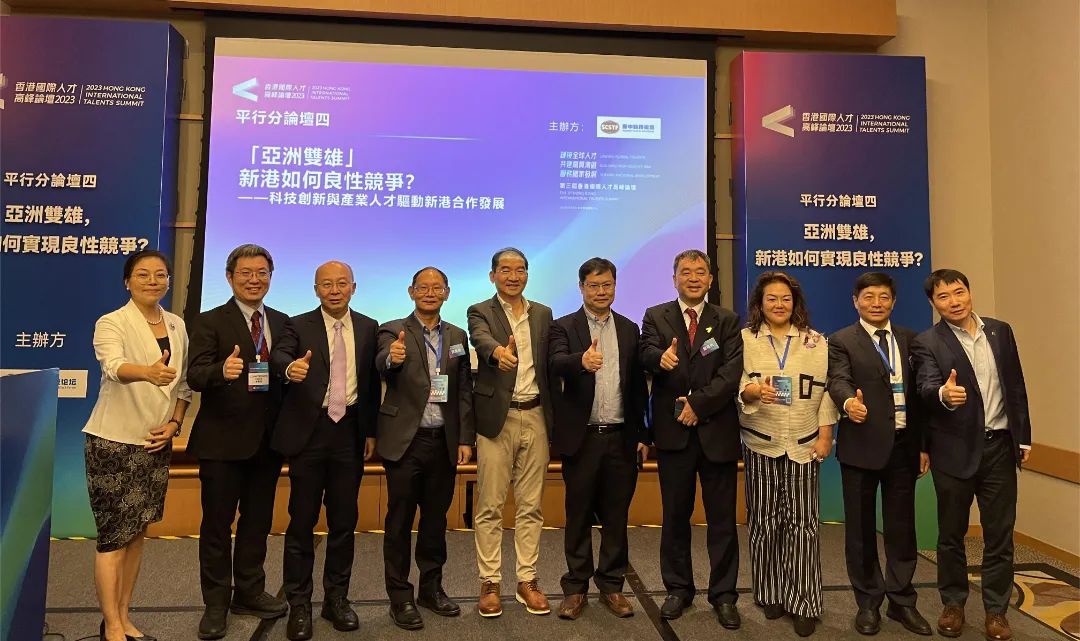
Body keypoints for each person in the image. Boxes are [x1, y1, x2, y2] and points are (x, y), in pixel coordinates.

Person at [911, 269, 1032, 641]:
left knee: (999, 534)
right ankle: (953, 603)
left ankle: (996, 611)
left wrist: (1023, 437)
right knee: (951, 534)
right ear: (933, 303)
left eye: (959, 292)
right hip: (953, 449)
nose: (954, 301)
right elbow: (925, 386)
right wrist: (944, 395)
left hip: (999, 447)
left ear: (969, 292)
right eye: (943, 296)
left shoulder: (1000, 331)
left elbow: (1015, 385)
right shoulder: (927, 342)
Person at [82, 250, 191, 641]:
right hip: (113, 443)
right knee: (113, 538)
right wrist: (147, 372)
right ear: (127, 282)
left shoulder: (177, 324)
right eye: (143, 274)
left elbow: (183, 385)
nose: (153, 281)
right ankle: (111, 625)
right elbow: (113, 366)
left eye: (160, 274)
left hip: (155, 444)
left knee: (136, 534)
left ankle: (125, 616)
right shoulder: (112, 322)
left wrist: (175, 424)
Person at [269, 261, 380, 641]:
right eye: (327, 284)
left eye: (342, 283)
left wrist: (370, 431)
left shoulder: (369, 326)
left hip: (350, 431)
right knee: (301, 522)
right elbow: (279, 356)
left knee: (344, 523)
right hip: (310, 432)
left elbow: (371, 384)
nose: (335, 290)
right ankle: (299, 605)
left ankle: (337, 599)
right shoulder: (297, 325)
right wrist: (289, 369)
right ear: (316, 289)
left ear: (354, 287)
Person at [186, 244, 289, 639]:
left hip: (267, 443)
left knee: (257, 523)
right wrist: (221, 370)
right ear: (230, 278)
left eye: (262, 273)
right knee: (216, 526)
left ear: (270, 277)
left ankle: (249, 591)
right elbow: (195, 376)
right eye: (246, 273)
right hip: (222, 444)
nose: (254, 280)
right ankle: (215, 603)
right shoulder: (209, 321)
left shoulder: (282, 322)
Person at [639, 249, 743, 629]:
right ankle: (678, 589)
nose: (694, 278)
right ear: (674, 279)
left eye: (701, 272)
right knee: (675, 517)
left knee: (722, 521)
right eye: (686, 272)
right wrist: (658, 359)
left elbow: (731, 372)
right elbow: (644, 352)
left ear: (710, 279)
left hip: (717, 432)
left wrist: (698, 404)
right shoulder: (656, 316)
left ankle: (724, 595)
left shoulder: (727, 320)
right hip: (674, 434)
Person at [827, 272, 931, 636]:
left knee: (902, 529)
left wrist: (922, 445)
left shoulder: (912, 340)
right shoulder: (842, 340)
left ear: (893, 301)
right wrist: (847, 403)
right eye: (868, 297)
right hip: (861, 446)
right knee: (860, 531)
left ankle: (902, 601)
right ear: (855, 301)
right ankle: (868, 603)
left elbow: (920, 396)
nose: (876, 303)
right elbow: (837, 379)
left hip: (904, 447)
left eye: (883, 297)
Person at [548, 258, 651, 620]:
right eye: (594, 286)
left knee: (616, 516)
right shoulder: (563, 326)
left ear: (615, 286)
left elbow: (637, 387)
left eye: (607, 285)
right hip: (583, 438)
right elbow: (555, 363)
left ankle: (611, 585)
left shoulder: (629, 328)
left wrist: (642, 434)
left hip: (621, 436)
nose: (601, 292)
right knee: (577, 515)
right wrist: (581, 361)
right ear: (581, 288)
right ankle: (576, 587)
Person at [737, 271, 837, 637]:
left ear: (795, 303)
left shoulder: (816, 341)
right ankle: (770, 593)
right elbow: (738, 385)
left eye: (785, 299)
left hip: (804, 444)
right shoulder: (745, 339)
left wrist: (826, 436)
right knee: (764, 522)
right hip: (760, 442)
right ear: (759, 304)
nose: (779, 305)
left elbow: (826, 392)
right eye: (771, 299)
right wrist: (750, 392)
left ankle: (804, 602)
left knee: (804, 525)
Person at [375, 266, 475, 630]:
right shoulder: (392, 330)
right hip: (406, 441)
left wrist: (465, 438)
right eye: (423, 287)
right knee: (399, 522)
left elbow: (463, 390)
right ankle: (400, 597)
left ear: (447, 292)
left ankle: (431, 589)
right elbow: (382, 363)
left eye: (437, 287)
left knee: (435, 521)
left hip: (443, 441)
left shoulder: (457, 335)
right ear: (411, 291)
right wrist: (392, 358)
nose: (430, 293)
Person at [467, 247, 554, 618]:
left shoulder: (543, 313)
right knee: (490, 505)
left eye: (520, 270)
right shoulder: (479, 311)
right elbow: (480, 338)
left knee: (531, 505)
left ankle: (526, 580)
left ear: (527, 275)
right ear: (493, 276)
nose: (513, 276)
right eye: (505, 270)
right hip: (496, 419)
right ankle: (490, 582)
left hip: (536, 415)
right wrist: (497, 354)